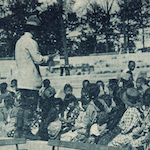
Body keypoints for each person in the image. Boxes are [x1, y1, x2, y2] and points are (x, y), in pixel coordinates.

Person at [15, 15, 59, 139]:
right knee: (30, 106)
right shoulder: (31, 42)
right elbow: (39, 59)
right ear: (34, 29)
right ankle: (26, 131)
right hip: (31, 80)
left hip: (22, 80)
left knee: (22, 106)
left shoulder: (19, 42)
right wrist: (49, 57)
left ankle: (18, 131)